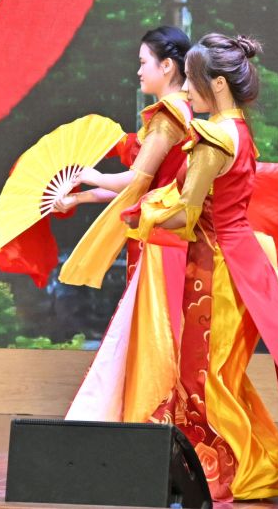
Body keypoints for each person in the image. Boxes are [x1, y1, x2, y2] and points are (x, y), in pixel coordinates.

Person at [128, 34, 278, 505]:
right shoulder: (239, 131)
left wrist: (140, 215)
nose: (185, 89)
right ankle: (255, 467)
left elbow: (186, 215)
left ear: (217, 83)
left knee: (201, 376)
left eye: (192, 80)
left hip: (213, 271)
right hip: (238, 263)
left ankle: (220, 472)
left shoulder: (212, 138)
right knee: (220, 375)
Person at [53, 25, 192, 423]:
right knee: (145, 333)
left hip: (162, 241)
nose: (139, 71)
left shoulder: (169, 116)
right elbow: (141, 188)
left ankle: (150, 421)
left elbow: (137, 179)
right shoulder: (176, 113)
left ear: (167, 66)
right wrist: (80, 197)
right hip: (158, 235)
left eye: (144, 62)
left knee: (154, 336)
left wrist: (90, 176)